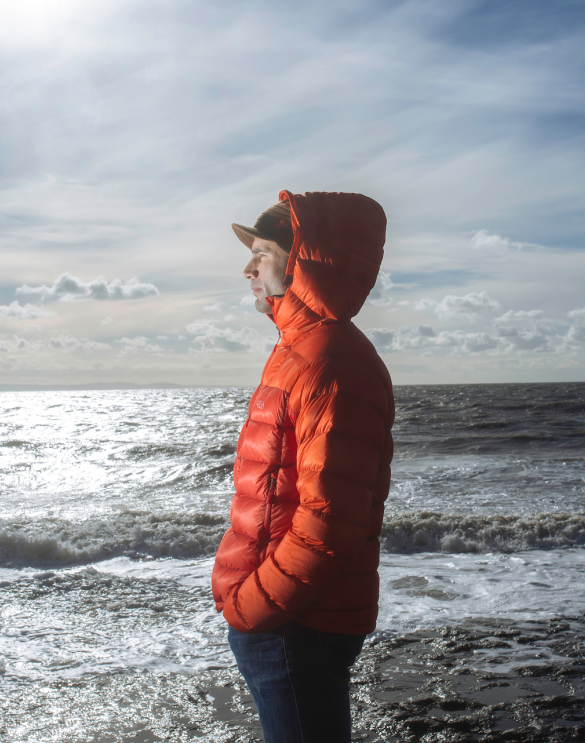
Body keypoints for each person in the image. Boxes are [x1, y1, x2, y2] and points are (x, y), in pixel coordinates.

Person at [211, 190, 394, 743]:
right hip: (287, 615)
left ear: (302, 261)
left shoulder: (330, 361)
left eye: (261, 252)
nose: (247, 267)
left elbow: (332, 517)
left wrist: (256, 605)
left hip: (296, 620)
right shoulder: (302, 348)